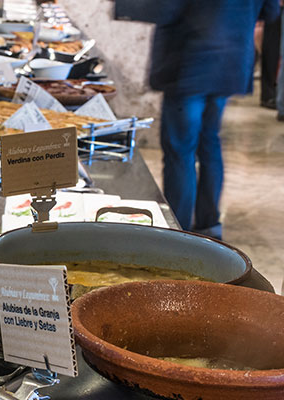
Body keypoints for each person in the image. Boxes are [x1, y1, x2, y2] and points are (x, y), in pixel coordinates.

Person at [116, 0, 280, 238]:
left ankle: (179, 234)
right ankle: (209, 225)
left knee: (180, 150)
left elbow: (167, 8)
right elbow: (271, 10)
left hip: (191, 61)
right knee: (209, 142)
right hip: (231, 60)